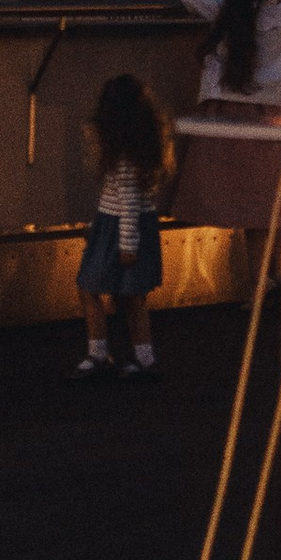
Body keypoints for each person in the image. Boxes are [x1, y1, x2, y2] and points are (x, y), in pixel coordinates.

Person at [171, 0, 281, 252]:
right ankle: (267, 281)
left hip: (224, 113)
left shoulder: (225, 10)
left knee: (231, 200)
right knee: (265, 207)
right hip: (267, 114)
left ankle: (261, 284)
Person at [75, 73, 173, 379]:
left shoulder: (123, 157)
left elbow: (128, 203)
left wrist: (126, 245)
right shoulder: (143, 151)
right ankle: (143, 359)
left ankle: (98, 354)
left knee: (89, 288)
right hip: (129, 226)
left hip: (120, 228)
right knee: (133, 298)